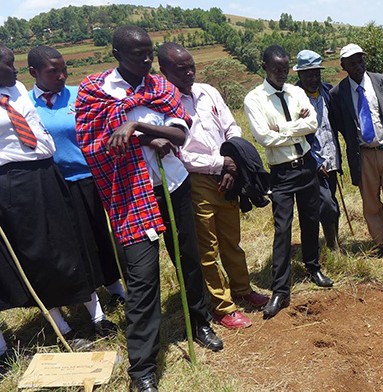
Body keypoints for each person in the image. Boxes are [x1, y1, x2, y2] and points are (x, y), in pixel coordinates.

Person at [75, 26, 223, 392]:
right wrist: (146, 138)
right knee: (142, 280)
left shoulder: (161, 88)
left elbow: (180, 134)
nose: (145, 60)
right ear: (116, 54)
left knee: (188, 258)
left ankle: (200, 321)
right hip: (130, 197)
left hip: (172, 186)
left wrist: (137, 124)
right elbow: (94, 144)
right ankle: (142, 366)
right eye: (136, 54)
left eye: (148, 53)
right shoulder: (95, 92)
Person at [157, 42, 269, 330]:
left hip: (228, 176)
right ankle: (222, 306)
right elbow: (179, 151)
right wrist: (221, 165)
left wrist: (230, 157)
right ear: (164, 71)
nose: (190, 72)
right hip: (196, 181)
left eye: (192, 66)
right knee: (207, 248)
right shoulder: (163, 105)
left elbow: (231, 127)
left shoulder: (209, 92)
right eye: (181, 69)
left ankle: (242, 289)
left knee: (232, 239)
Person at [0, 44, 97, 366]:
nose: (15, 71)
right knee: (36, 253)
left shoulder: (14, 90)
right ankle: (62, 325)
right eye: (8, 65)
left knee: (69, 241)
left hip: (46, 171)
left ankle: (95, 313)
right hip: (11, 183)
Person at [26, 45, 122, 340]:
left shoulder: (78, 95)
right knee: (80, 244)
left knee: (102, 234)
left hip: (91, 176)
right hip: (57, 185)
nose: (61, 75)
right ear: (34, 73)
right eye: (52, 71)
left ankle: (115, 286)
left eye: (63, 68)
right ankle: (90, 296)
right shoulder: (26, 105)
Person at [243, 44, 334, 320]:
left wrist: (282, 128)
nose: (282, 74)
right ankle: (280, 290)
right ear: (265, 67)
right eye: (276, 69)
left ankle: (313, 266)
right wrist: (296, 127)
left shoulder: (296, 92)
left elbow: (312, 125)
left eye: (285, 69)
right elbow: (264, 138)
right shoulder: (254, 99)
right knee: (282, 229)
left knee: (310, 218)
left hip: (306, 166)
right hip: (281, 172)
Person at [328, 43, 383, 268]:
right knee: (370, 202)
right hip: (363, 155)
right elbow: (340, 125)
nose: (357, 66)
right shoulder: (337, 93)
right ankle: (382, 243)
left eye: (360, 61)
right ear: (343, 65)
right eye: (352, 62)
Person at [294, 49, 344, 250]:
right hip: (311, 163)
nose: (314, 78)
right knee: (326, 205)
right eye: (308, 74)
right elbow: (295, 136)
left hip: (331, 160)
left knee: (330, 201)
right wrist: (314, 161)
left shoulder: (327, 92)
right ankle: (331, 247)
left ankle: (333, 242)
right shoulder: (293, 99)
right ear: (299, 75)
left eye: (317, 73)